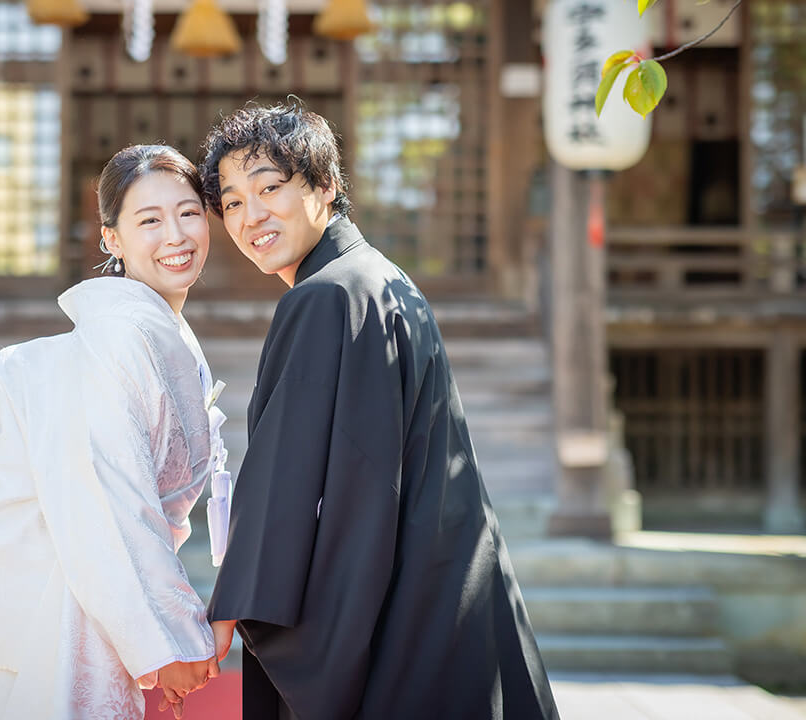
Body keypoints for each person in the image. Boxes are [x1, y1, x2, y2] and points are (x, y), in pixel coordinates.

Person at [200, 104, 560, 720]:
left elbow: (287, 482)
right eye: (231, 202)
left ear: (325, 186)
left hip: (396, 622)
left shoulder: (324, 298)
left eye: (269, 188)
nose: (250, 216)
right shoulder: (380, 283)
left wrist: (233, 604)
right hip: (444, 600)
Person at [0, 145, 224, 720]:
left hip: (95, 600)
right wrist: (172, 636)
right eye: (149, 220)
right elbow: (108, 502)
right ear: (111, 238)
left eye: (189, 213)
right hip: (63, 607)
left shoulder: (154, 333)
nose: (176, 235)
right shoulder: (118, 339)